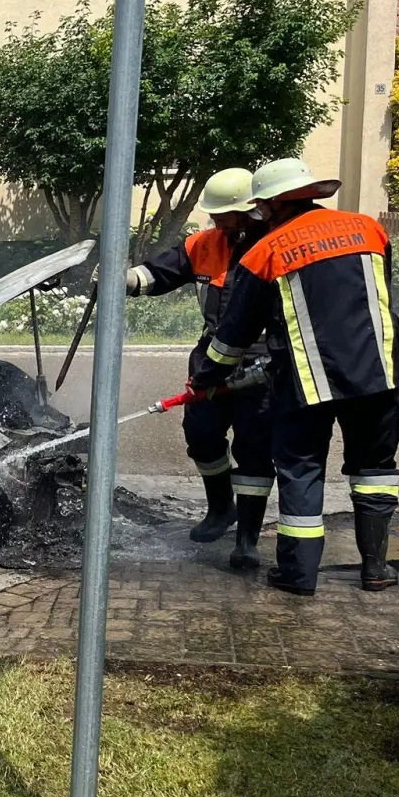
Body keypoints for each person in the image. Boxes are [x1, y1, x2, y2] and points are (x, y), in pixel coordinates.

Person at [191, 158, 399, 596]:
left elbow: (234, 334)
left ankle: (298, 575)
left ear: (267, 206)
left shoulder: (266, 251)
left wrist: (206, 379)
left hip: (307, 382)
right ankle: (376, 569)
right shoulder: (369, 229)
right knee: (375, 469)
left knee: (301, 471)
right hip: (377, 374)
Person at [125, 168, 274, 563]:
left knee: (254, 448)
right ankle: (220, 508)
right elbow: (159, 273)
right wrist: (124, 279)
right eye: (216, 215)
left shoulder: (273, 244)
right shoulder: (204, 244)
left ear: (251, 212)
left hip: (262, 362)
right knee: (201, 432)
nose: (217, 221)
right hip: (212, 358)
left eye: (226, 215)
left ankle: (247, 539)